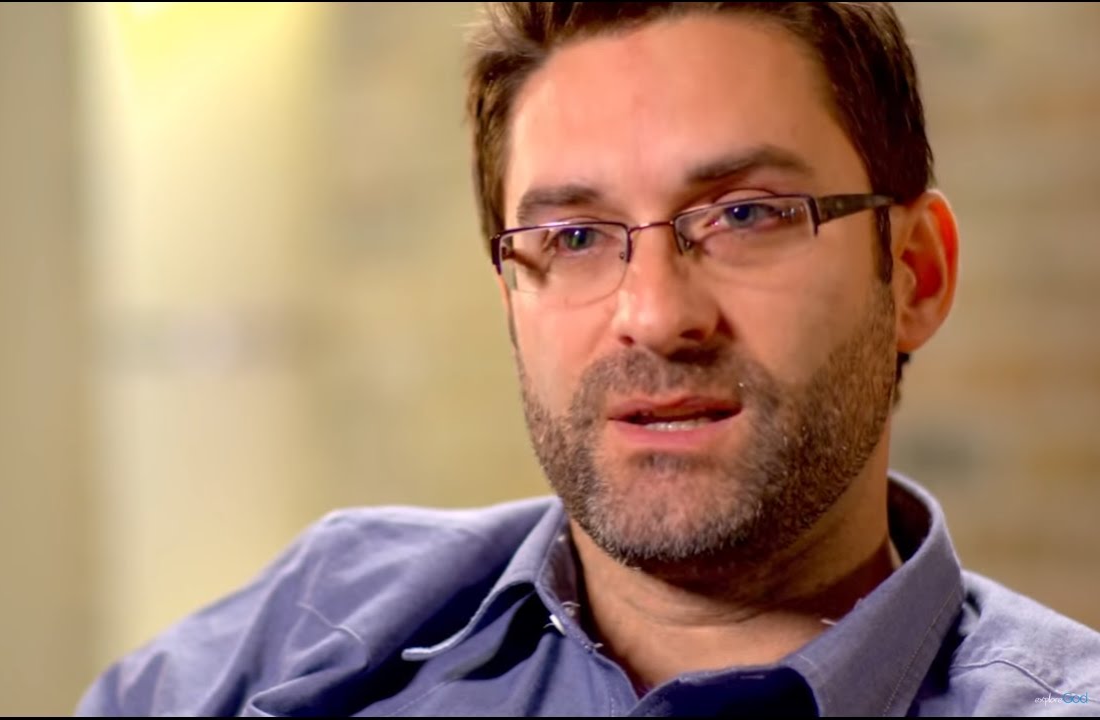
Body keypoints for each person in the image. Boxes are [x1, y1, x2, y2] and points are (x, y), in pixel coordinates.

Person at [76, 3, 1100, 716]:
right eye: (571, 237)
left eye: (745, 215)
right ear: (511, 298)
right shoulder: (316, 623)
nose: (654, 315)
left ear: (914, 274)